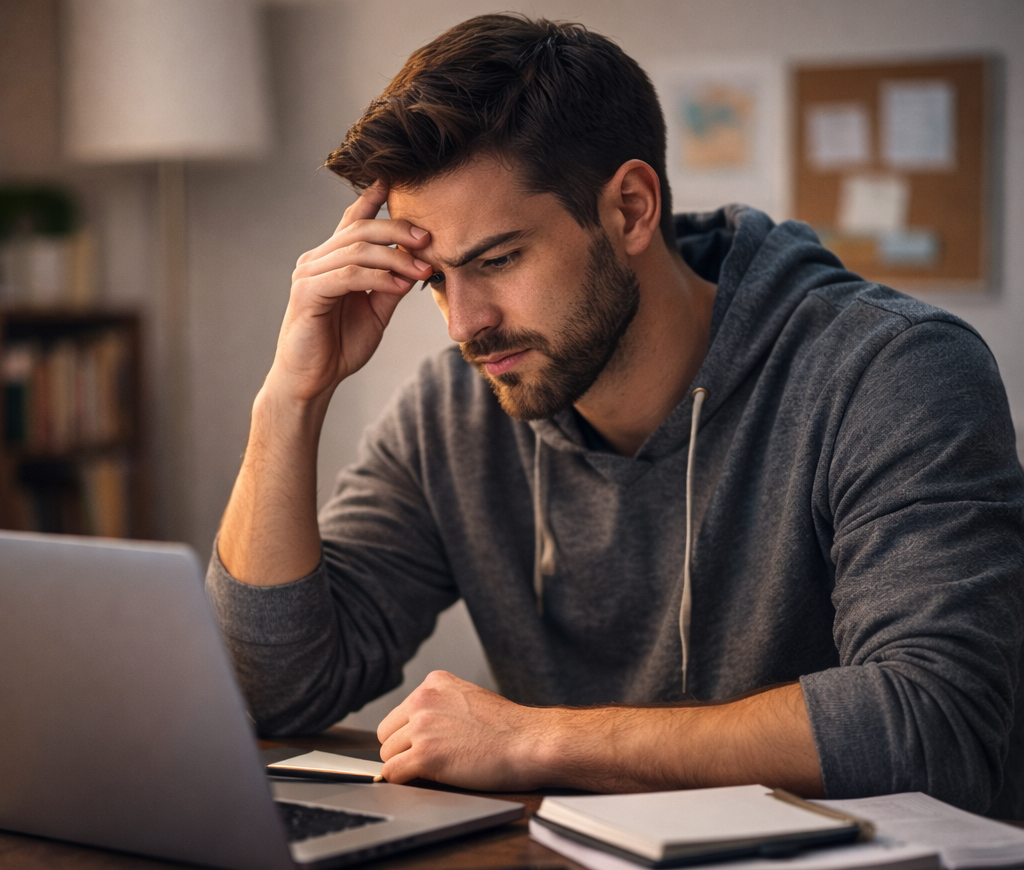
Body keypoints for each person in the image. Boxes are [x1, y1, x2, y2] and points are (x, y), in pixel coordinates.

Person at [208, 14, 1024, 815]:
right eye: (438, 281)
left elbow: (938, 723)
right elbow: (274, 693)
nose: (465, 324)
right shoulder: (452, 412)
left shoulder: (890, 370)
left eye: (496, 261)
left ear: (630, 208)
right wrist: (290, 396)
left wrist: (535, 741)